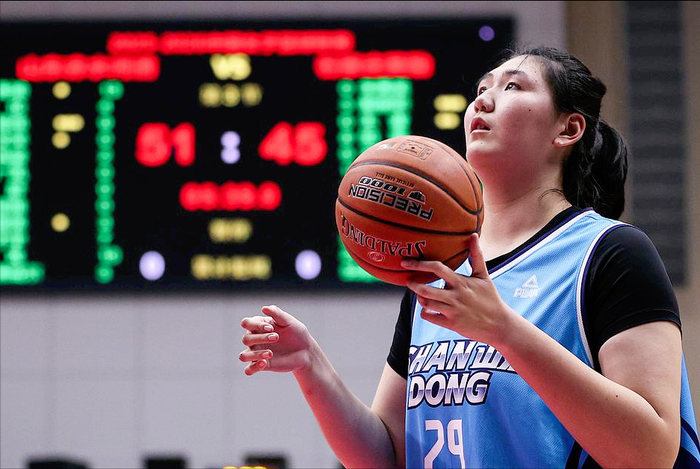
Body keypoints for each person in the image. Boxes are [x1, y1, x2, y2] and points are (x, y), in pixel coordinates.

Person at [239, 45, 700, 468]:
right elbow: (387, 456)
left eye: (513, 86)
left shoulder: (610, 252)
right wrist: (311, 365)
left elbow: (650, 453)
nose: (482, 101)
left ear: (568, 128)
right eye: (481, 89)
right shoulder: (439, 273)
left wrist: (503, 330)